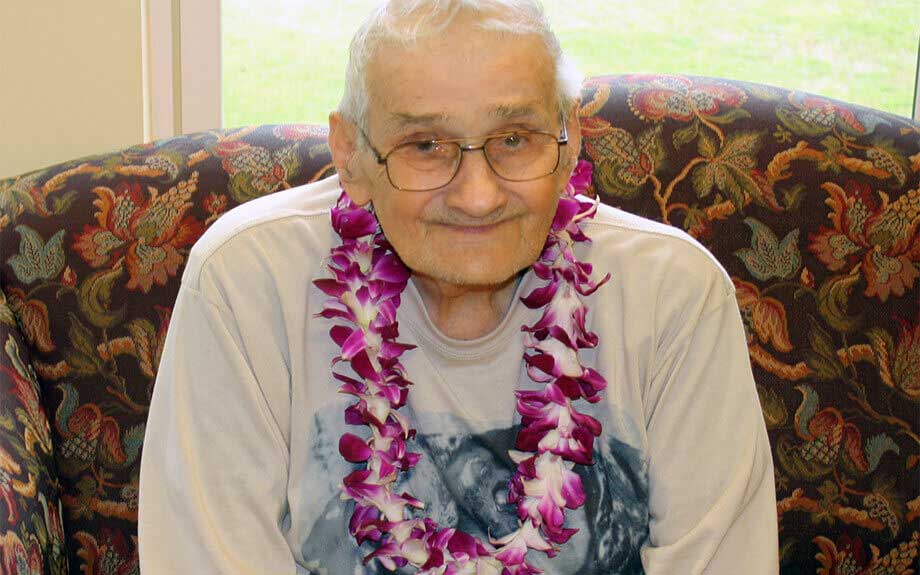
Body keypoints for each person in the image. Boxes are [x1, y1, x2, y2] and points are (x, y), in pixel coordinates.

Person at [138, 1, 779, 573]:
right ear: (350, 154)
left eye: (514, 139)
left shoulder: (676, 294)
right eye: (425, 145)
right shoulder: (245, 284)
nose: (477, 197)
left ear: (570, 139)